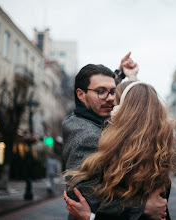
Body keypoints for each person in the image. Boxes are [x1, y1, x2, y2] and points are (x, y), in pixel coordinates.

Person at [62, 54, 168, 220]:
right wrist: (143, 207)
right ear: (81, 95)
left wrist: (124, 74)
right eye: (101, 92)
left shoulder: (95, 117)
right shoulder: (87, 135)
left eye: (113, 92)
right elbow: (85, 196)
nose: (111, 98)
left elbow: (137, 103)